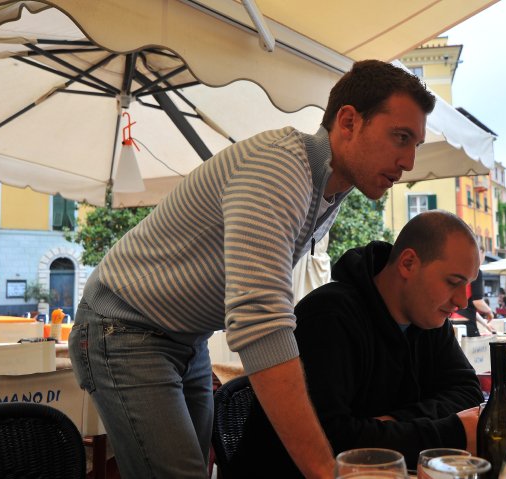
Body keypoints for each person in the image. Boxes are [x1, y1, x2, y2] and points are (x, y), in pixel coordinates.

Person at [67, 60, 436, 479]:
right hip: (124, 326)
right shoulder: (280, 167)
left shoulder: (329, 187)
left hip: (188, 338)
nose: (409, 161)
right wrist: (324, 470)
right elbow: (261, 322)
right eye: (400, 137)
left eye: (416, 144)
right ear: (349, 121)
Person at [232, 211, 484, 477]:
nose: (462, 301)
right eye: (453, 282)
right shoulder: (329, 317)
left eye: (467, 285)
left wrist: (392, 422)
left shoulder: (429, 319)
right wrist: (452, 432)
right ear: (408, 263)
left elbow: (469, 393)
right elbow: (333, 443)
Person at [450, 246, 494, 336]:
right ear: (480, 253)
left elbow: (469, 308)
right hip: (467, 323)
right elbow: (477, 302)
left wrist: (485, 324)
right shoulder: (476, 271)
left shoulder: (458, 271)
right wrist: (489, 312)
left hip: (452, 321)